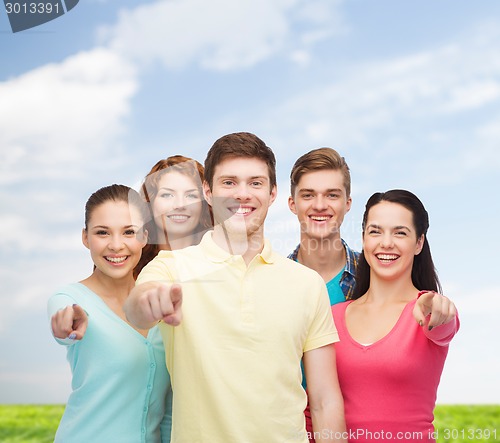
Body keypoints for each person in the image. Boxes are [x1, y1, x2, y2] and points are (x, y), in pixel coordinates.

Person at [124, 132, 348, 443]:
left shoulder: (307, 283)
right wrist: (150, 301)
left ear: (272, 193)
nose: (242, 194)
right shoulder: (171, 267)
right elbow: (137, 308)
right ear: (208, 191)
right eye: (229, 183)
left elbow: (324, 399)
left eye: (255, 183)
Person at [332, 189, 459, 442]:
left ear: (419, 243)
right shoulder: (332, 316)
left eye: (400, 232)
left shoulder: (427, 311)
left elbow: (445, 324)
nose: (386, 242)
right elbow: (315, 407)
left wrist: (438, 307)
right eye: (375, 231)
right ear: (364, 238)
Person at [47, 184, 172, 443]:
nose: (116, 245)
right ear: (85, 237)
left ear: (145, 236)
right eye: (102, 233)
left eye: (129, 232)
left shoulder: (160, 303)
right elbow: (65, 327)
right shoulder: (70, 300)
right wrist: (66, 330)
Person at [288, 148, 359, 442]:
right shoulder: (272, 283)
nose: (320, 205)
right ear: (292, 203)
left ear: (347, 203)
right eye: (308, 195)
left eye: (332, 195)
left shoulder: (375, 277)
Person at [135, 155, 213, 277]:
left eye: (191, 196)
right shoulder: (131, 267)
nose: (180, 205)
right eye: (167, 195)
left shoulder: (225, 262)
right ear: (150, 203)